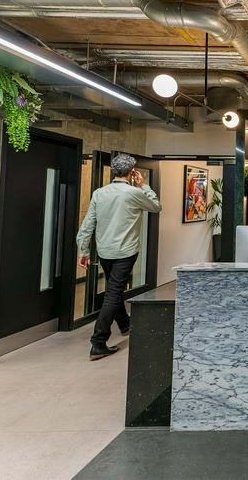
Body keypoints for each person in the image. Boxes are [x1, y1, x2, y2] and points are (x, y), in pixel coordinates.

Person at [77, 154, 161, 361]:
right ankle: (98, 342)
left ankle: (124, 324)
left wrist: (83, 250)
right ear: (132, 172)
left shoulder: (99, 193)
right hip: (126, 251)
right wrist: (144, 185)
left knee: (114, 288)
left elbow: (88, 224)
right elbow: (156, 206)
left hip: (105, 251)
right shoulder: (134, 193)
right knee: (114, 292)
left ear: (114, 172)